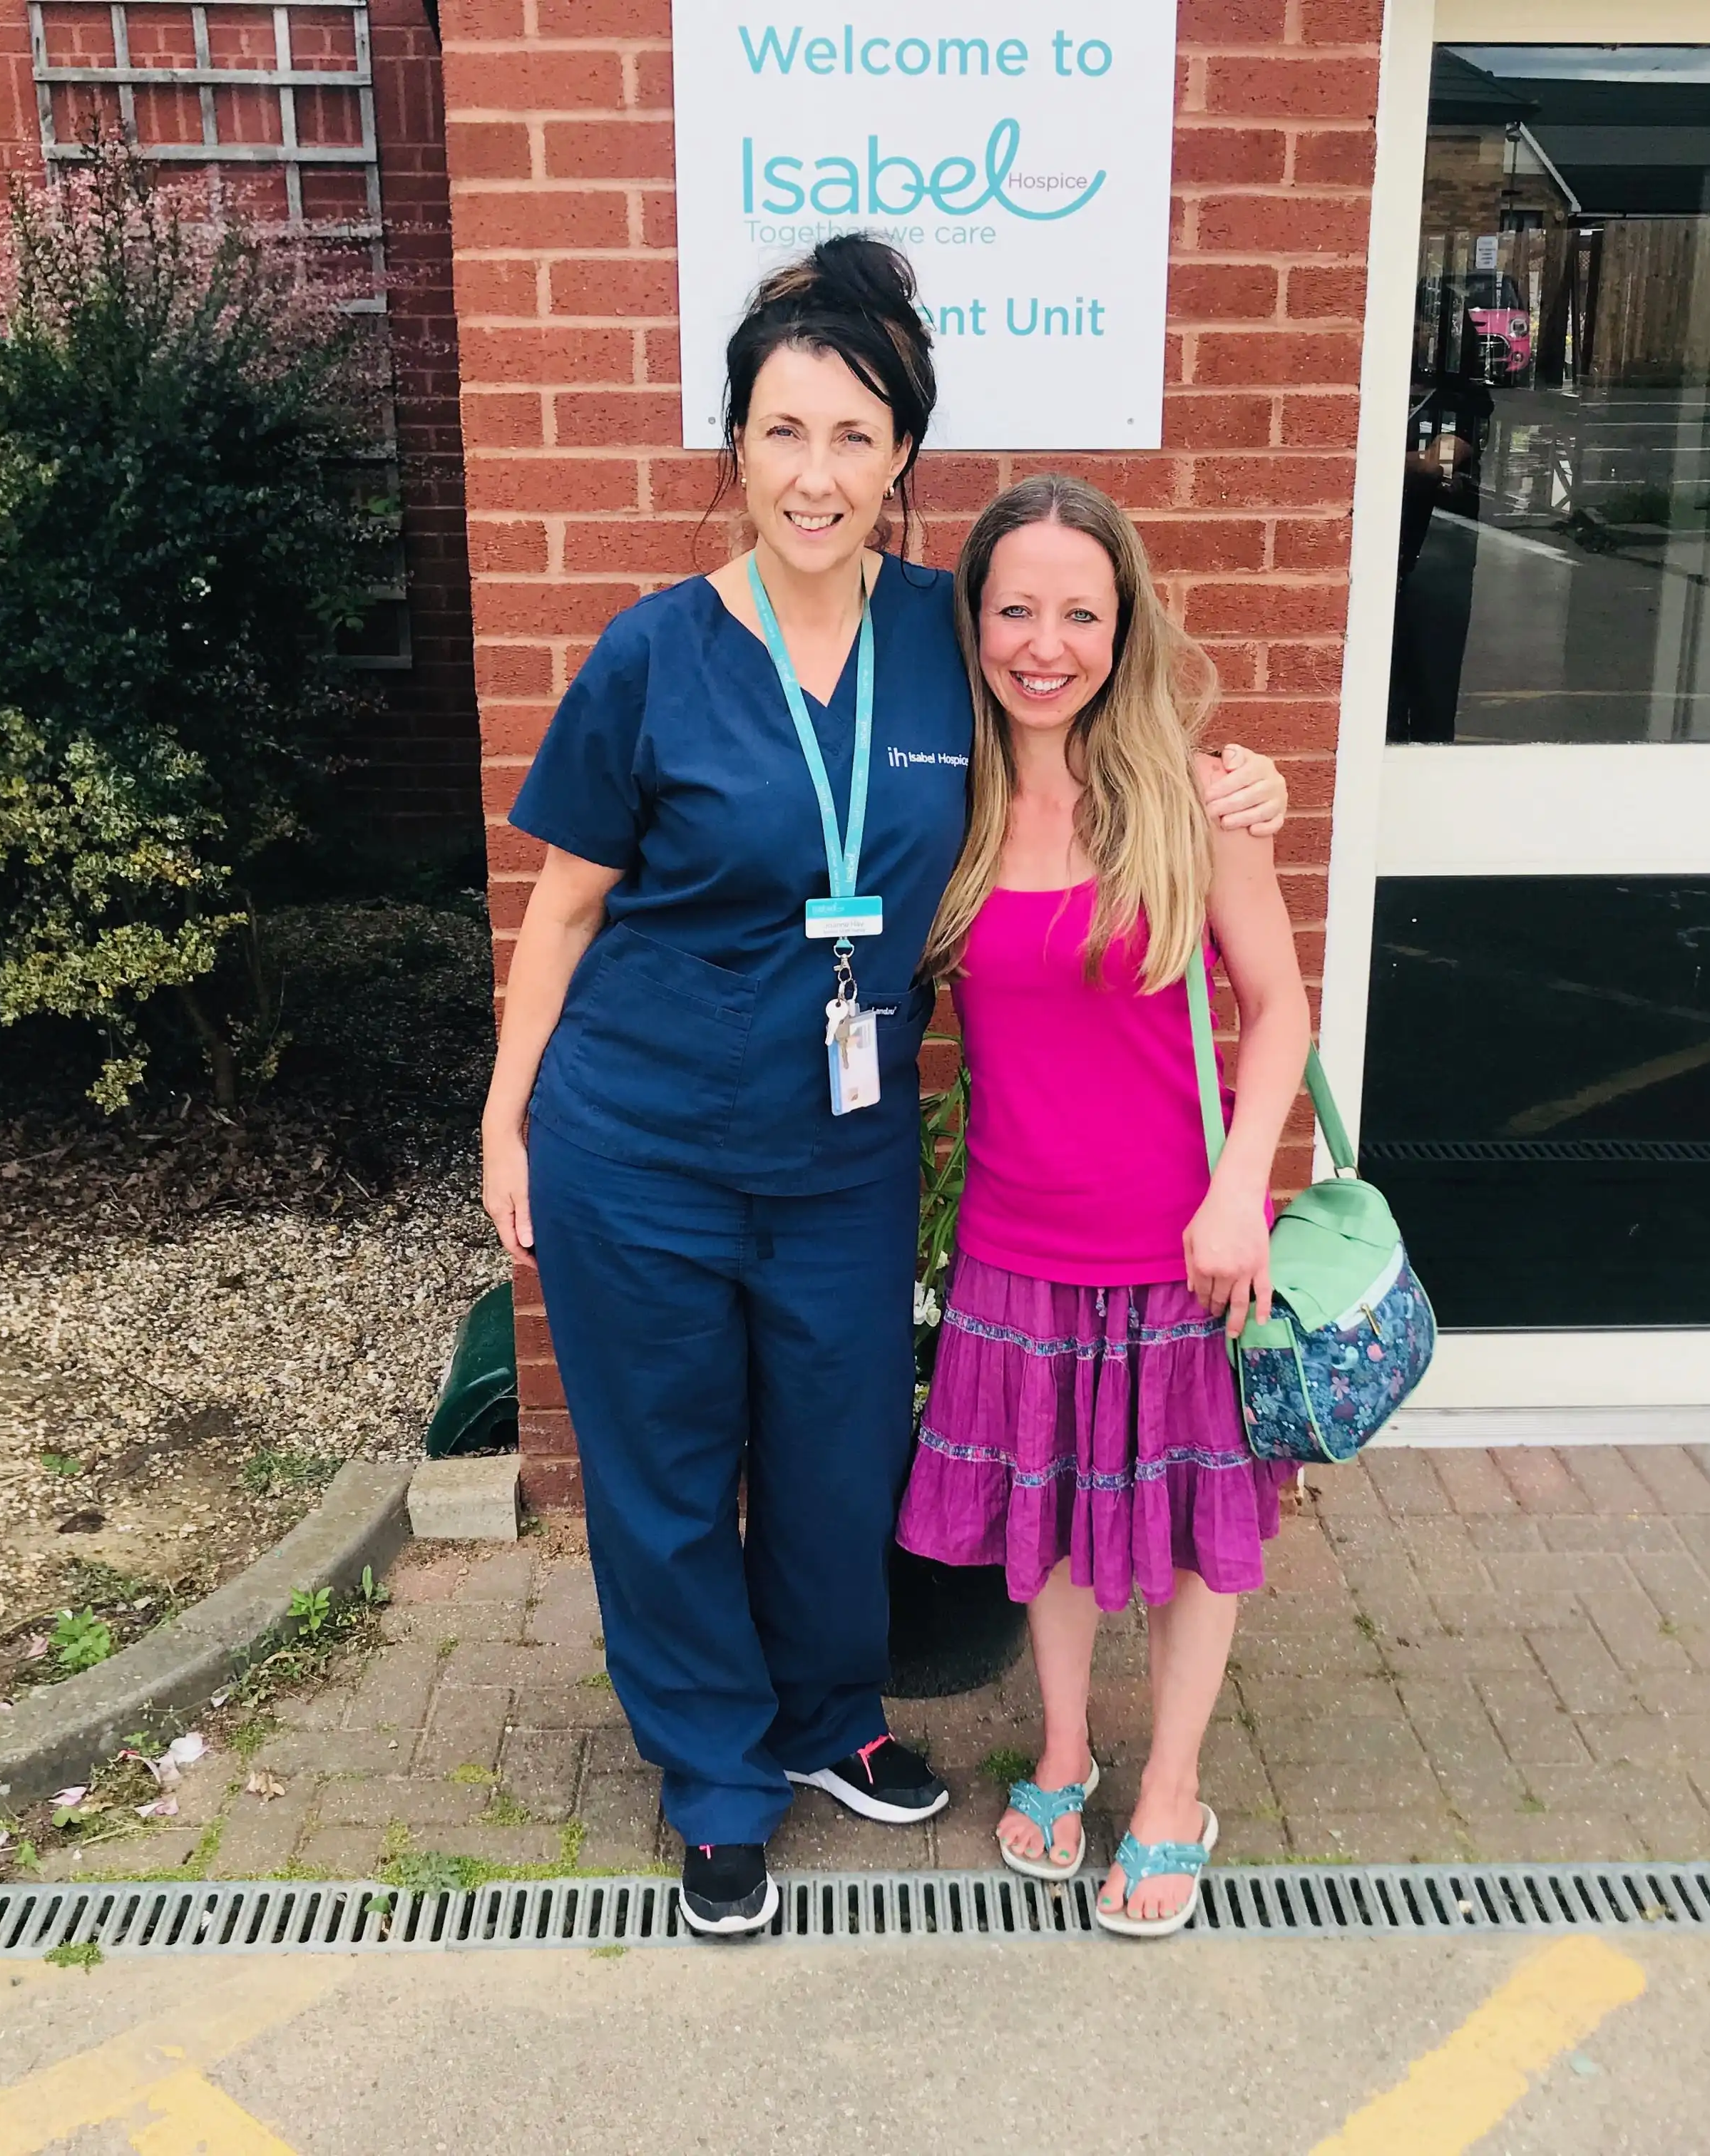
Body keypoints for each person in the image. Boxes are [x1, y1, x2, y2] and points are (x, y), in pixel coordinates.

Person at [478, 236, 1291, 1939]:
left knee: (841, 1454)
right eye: (784, 432)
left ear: (902, 454)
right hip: (642, 1141)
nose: (817, 474)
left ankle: (828, 1714)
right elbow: (561, 911)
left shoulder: (945, 637)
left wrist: (1238, 782)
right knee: (668, 1471)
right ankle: (717, 1780)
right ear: (736, 446)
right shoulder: (653, 655)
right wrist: (505, 1119)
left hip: (842, 1150)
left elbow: (1097, 708)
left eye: (854, 436)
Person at [894, 473, 1311, 1939]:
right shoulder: (947, 802)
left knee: (1196, 1534)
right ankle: (1066, 1751)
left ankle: (1173, 1791)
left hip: (1183, 1247)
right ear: (974, 623)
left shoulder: (1195, 801)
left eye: (1080, 612)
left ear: (1124, 627)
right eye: (1016, 610)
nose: (1045, 644)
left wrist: (1242, 1191)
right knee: (1054, 1517)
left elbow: (1280, 1009)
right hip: (1015, 1244)